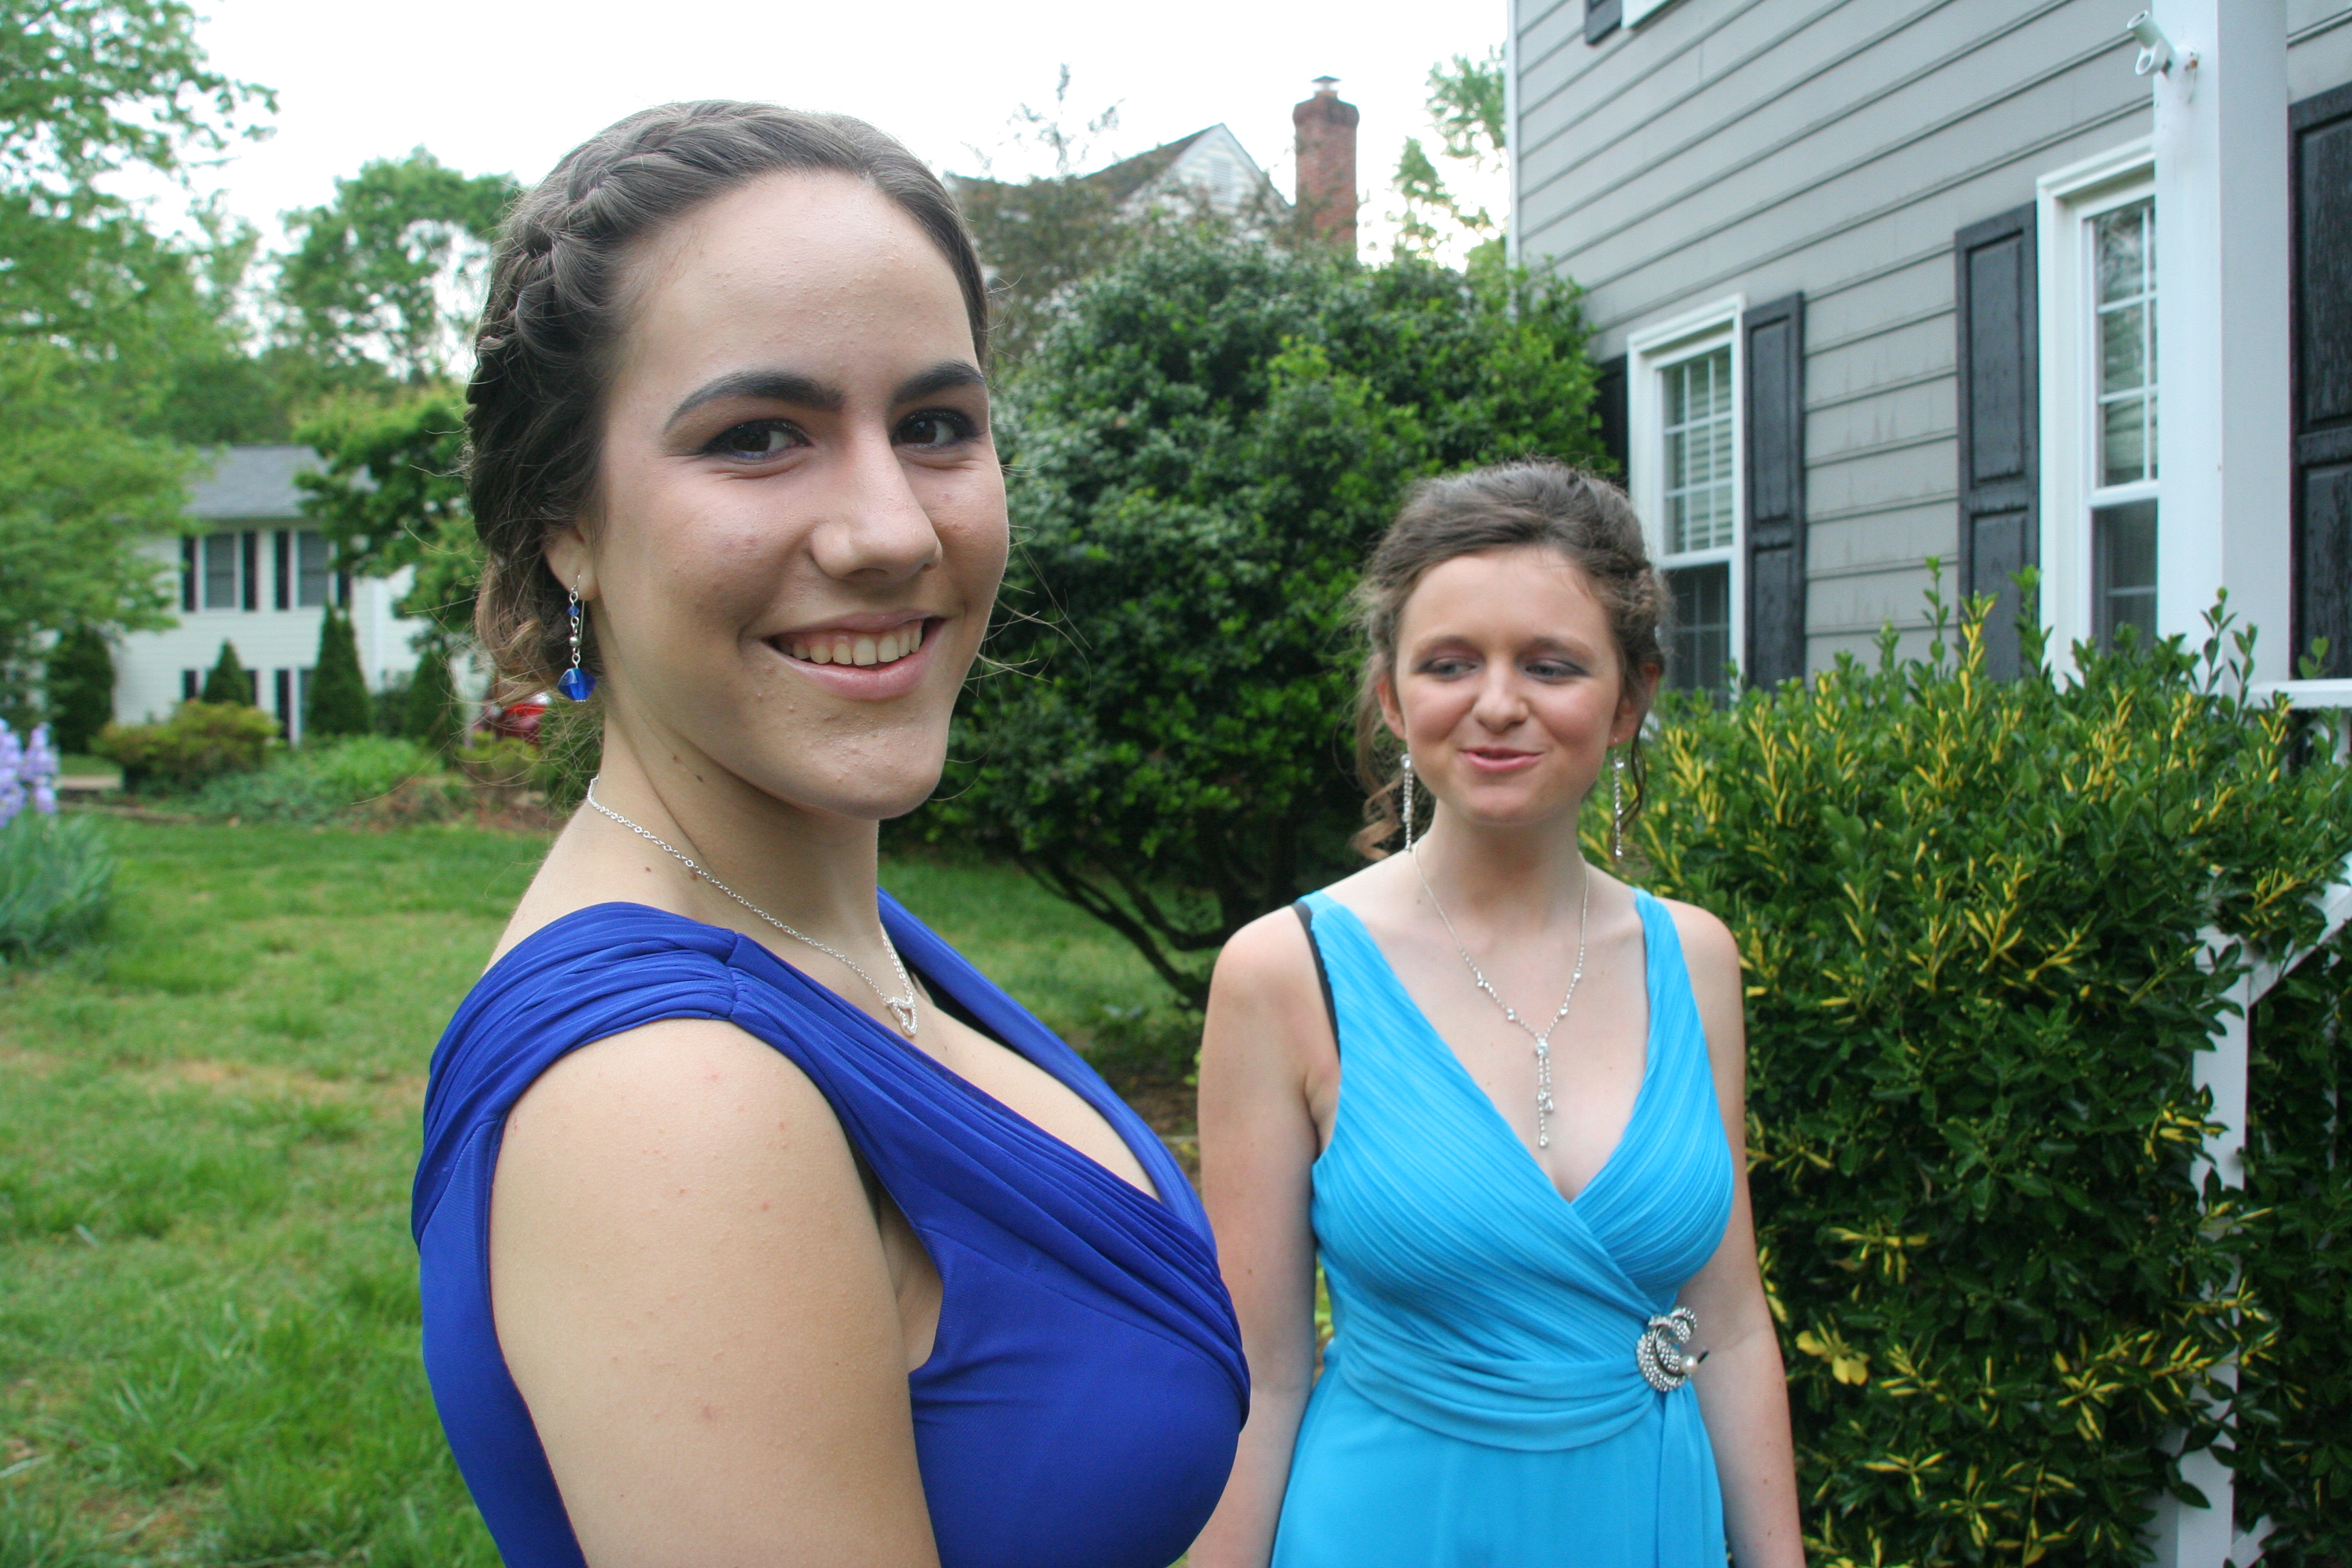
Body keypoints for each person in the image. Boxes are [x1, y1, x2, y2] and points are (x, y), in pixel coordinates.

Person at [410, 102, 1246, 1568]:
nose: (892, 529)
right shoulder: (670, 1104)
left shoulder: (822, 934)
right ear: (566, 525)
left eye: (934, 426)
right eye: (758, 438)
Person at [1192, 461, 1804, 1567]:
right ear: (1392, 697)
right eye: (1449, 663)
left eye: (1551, 664)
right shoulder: (1284, 975)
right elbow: (1264, 1374)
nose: (1498, 703)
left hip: (1647, 1525)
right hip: (1389, 1531)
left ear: (1630, 700)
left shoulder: (1695, 961)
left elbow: (1730, 1324)